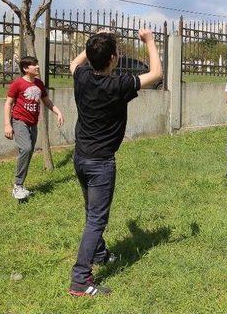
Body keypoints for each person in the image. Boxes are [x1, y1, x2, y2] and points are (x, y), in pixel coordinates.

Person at [67, 28, 162, 297]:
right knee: (96, 220)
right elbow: (156, 74)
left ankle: (99, 254)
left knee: (91, 213)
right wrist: (150, 41)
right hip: (100, 164)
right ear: (113, 59)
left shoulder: (82, 76)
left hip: (80, 158)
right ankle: (80, 280)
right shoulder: (117, 85)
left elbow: (74, 63)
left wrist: (94, 42)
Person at [4, 56, 64, 200]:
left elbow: (46, 101)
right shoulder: (18, 84)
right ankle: (17, 186)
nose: (37, 67)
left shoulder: (39, 84)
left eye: (37, 64)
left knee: (28, 153)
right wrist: (7, 124)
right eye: (34, 65)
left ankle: (21, 185)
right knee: (26, 148)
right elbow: (8, 104)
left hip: (33, 123)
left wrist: (58, 112)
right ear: (25, 69)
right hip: (19, 121)